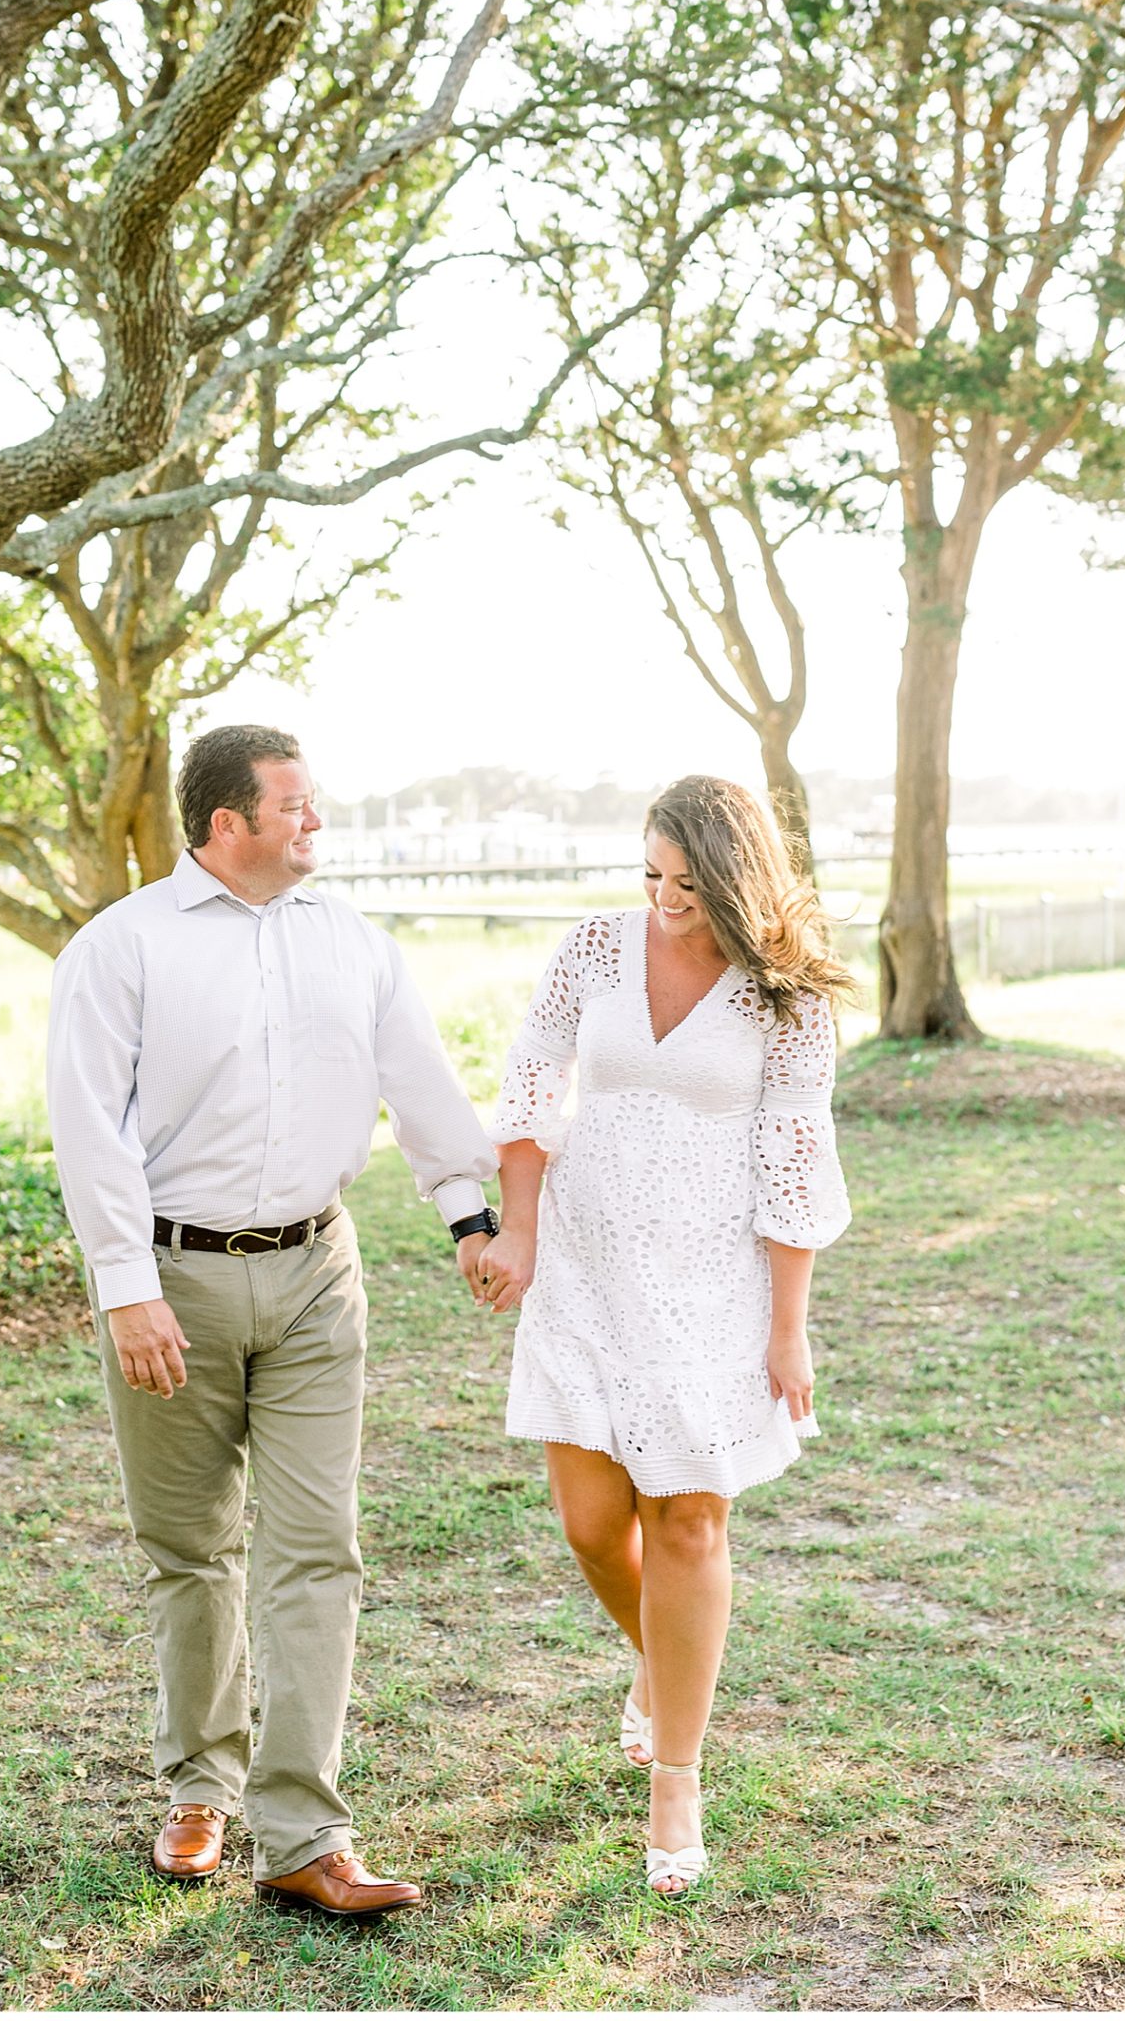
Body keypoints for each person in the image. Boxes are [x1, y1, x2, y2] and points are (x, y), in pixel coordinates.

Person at [46, 725, 501, 1918]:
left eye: (315, 804)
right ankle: (200, 1784)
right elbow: (89, 1127)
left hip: (316, 1274)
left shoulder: (353, 944)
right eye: (292, 807)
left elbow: (422, 1080)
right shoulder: (121, 948)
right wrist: (126, 1285)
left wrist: (470, 1216)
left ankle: (302, 1831)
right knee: (190, 1548)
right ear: (224, 824)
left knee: (318, 1547)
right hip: (172, 1281)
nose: (317, 823)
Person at [474, 774, 854, 1894]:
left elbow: (795, 1159)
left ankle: (676, 1774)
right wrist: (521, 1236)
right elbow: (533, 1089)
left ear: (739, 881)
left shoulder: (787, 994)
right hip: (587, 1266)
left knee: (686, 1521)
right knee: (594, 1523)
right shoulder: (594, 948)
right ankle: (662, 1660)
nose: (665, 899)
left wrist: (790, 1329)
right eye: (651, 875)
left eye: (689, 884)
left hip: (712, 1283)